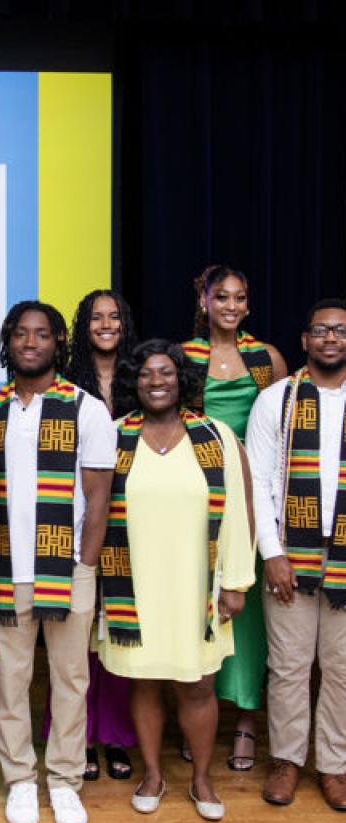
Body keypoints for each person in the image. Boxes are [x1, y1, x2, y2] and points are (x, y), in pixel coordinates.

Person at [98, 340, 255, 820]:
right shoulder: (114, 435)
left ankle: (202, 779)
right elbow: (95, 513)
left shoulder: (215, 435)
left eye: (165, 372)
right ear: (133, 381)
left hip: (196, 584)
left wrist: (236, 582)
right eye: (145, 374)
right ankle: (152, 772)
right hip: (135, 583)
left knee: (198, 686)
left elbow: (237, 514)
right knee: (144, 682)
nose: (156, 382)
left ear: (181, 378)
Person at [0, 300, 114, 823]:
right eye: (21, 334)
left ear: (59, 343)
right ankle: (19, 778)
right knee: (10, 680)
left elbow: (99, 498)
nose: (31, 342)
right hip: (4, 564)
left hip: (67, 567)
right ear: (8, 341)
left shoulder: (86, 408)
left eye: (42, 334)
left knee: (70, 678)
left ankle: (63, 780)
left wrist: (85, 565)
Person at [183, 265, 287, 772]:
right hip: (198, 490)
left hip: (252, 491)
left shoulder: (266, 357)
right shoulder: (185, 356)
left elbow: (288, 430)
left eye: (238, 298)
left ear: (248, 305)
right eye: (220, 296)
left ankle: (247, 720)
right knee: (199, 596)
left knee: (247, 607)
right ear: (204, 301)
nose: (229, 305)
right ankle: (197, 716)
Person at [246, 299, 346, 811]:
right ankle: (286, 760)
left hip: (345, 554)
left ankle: (334, 764)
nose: (331, 338)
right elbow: (257, 481)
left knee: (342, 666)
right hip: (291, 551)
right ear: (304, 340)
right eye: (320, 331)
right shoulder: (276, 400)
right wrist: (271, 552)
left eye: (340, 331)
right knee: (287, 665)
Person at [52, 289, 139, 782]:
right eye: (96, 318)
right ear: (83, 327)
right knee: (76, 635)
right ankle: (77, 734)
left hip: (132, 517)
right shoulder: (67, 386)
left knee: (118, 627)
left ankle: (116, 736)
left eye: (114, 316)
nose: (106, 324)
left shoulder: (141, 377)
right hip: (79, 518)